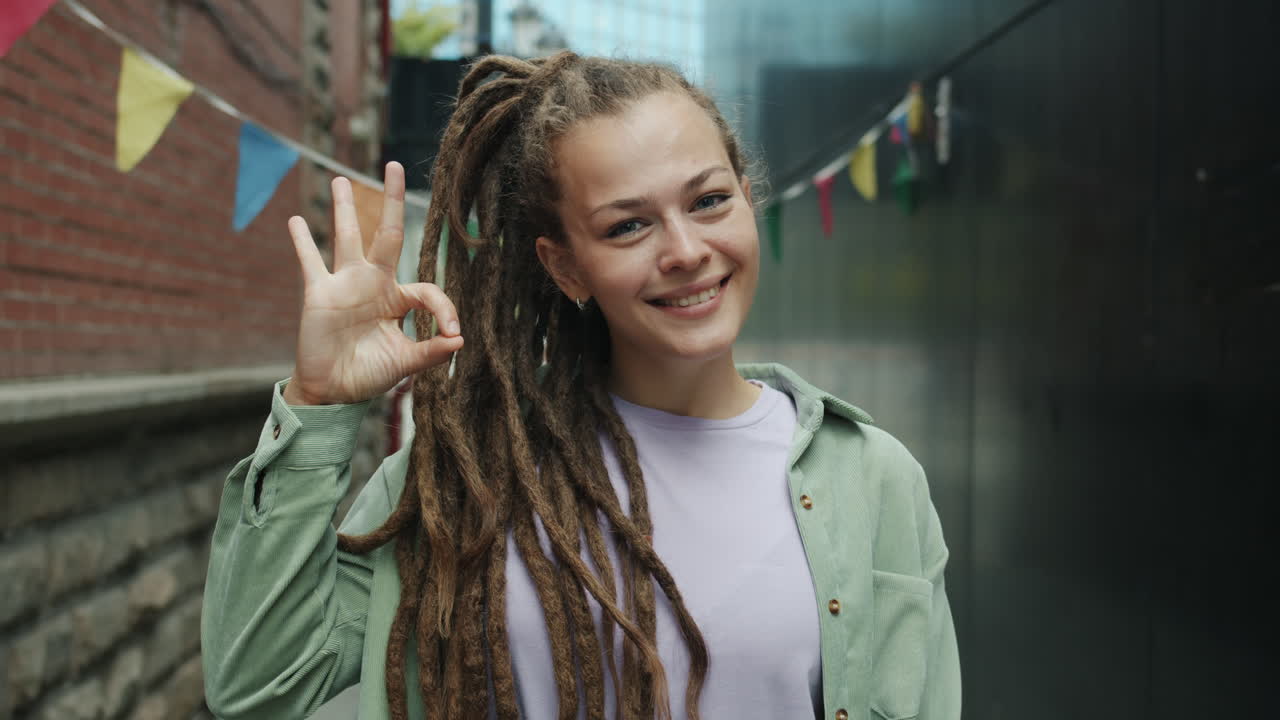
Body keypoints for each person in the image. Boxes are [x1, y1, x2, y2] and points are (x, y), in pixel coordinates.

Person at [201, 52, 960, 720]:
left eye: (708, 201)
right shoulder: (464, 479)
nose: (687, 251)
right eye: (628, 226)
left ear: (747, 200)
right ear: (565, 266)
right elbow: (261, 684)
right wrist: (319, 404)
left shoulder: (873, 479)